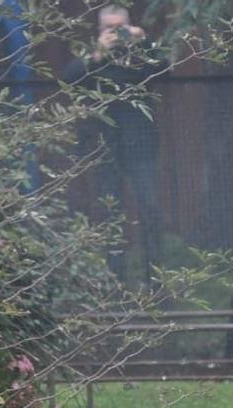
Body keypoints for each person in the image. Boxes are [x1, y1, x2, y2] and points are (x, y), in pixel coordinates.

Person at [63, 4, 167, 281]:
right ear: (99, 31)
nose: (115, 34)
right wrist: (98, 52)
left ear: (128, 25)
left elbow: (166, 67)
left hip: (141, 146)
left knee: (150, 207)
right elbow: (68, 78)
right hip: (104, 146)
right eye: (109, 29)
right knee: (111, 213)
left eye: (119, 28)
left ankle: (155, 280)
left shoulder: (140, 54)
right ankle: (114, 281)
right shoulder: (92, 57)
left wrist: (142, 41)